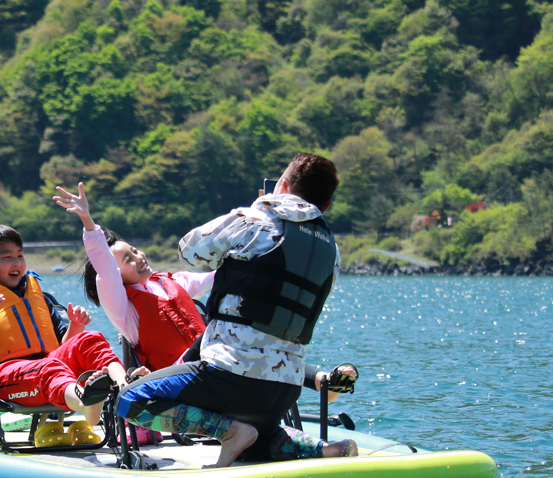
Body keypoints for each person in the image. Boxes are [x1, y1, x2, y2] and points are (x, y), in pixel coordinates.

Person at [55, 181, 357, 459]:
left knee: (248, 342)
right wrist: (87, 222)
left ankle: (323, 414)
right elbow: (104, 270)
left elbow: (223, 272)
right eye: (127, 261)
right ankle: (316, 387)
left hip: (220, 366)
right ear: (115, 275)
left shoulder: (173, 281)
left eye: (134, 251)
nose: (138, 258)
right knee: (241, 350)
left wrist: (260, 231)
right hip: (184, 382)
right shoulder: (124, 309)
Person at [0, 224, 130, 429]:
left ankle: (125, 387)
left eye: (20, 256)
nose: (17, 263)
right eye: (7, 258)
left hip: (47, 370)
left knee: (90, 338)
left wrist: (75, 326)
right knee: (48, 368)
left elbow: (60, 349)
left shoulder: (42, 300)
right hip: (1, 381)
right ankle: (86, 403)